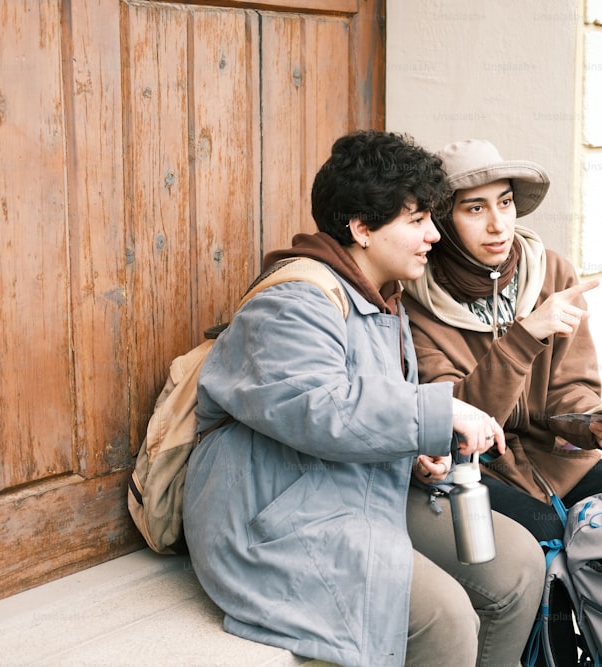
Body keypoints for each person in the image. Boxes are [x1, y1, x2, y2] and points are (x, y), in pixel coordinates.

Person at [183, 130, 544, 667]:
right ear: (360, 228)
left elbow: (371, 411)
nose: (434, 237)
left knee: (518, 564)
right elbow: (320, 409)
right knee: (445, 621)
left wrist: (418, 451)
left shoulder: (383, 301)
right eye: (416, 221)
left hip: (352, 482)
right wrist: (439, 410)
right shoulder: (294, 301)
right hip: (275, 513)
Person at [402, 139, 602, 545]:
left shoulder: (550, 272)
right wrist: (524, 337)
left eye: (505, 203)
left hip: (557, 464)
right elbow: (459, 426)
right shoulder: (415, 298)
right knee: (544, 534)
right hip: (476, 471)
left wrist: (594, 425)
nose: (498, 224)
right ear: (442, 220)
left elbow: (570, 390)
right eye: (475, 208)